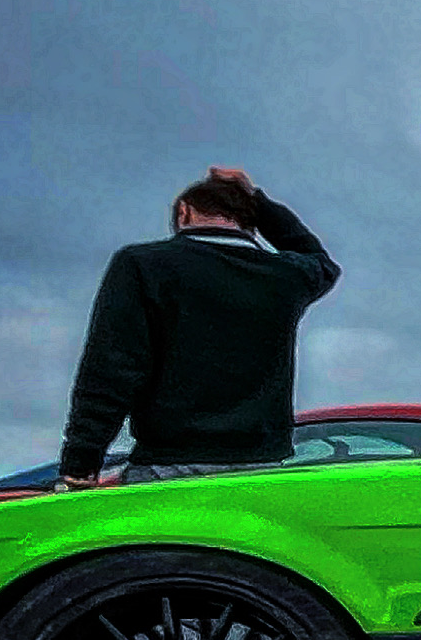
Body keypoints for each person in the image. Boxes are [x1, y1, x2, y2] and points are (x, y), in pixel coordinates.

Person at [57, 168, 342, 490]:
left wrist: (81, 461)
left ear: (184, 212)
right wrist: (258, 201)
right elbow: (321, 261)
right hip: (261, 469)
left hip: (170, 466)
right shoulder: (284, 275)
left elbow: (112, 368)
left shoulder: (144, 265)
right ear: (250, 222)